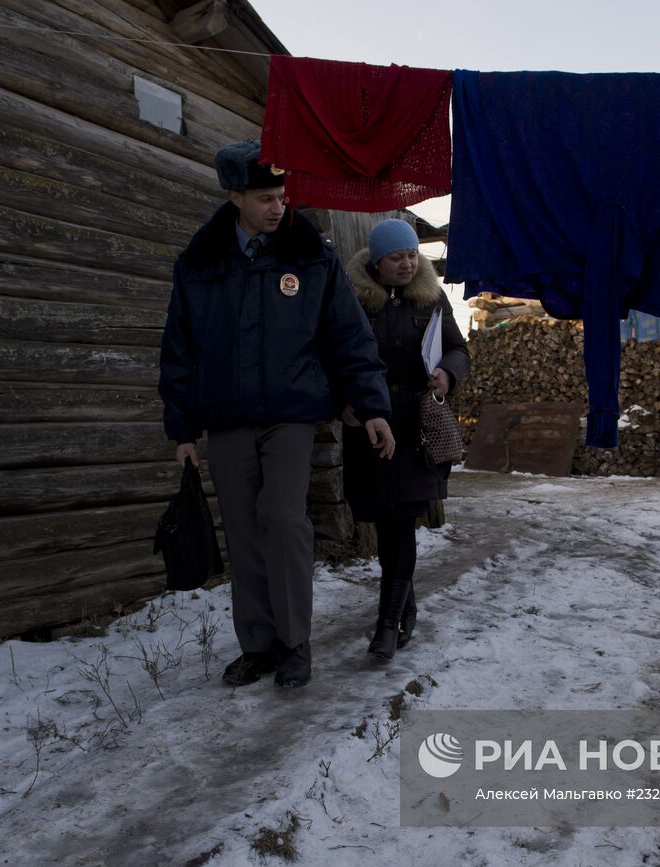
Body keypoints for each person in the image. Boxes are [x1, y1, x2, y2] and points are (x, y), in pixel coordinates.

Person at [158, 141, 395, 690]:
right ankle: (258, 644)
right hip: (226, 419)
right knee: (242, 529)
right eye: (265, 197)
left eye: (282, 197)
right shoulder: (200, 264)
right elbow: (179, 350)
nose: (278, 208)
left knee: (284, 520)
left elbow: (349, 339)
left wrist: (371, 405)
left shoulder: (313, 257)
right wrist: (182, 430)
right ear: (234, 195)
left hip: (291, 416)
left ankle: (295, 642)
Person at [342, 218, 471, 662]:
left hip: (415, 425)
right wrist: (343, 402)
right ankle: (406, 607)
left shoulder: (431, 297)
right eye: (397, 257)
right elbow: (333, 355)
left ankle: (387, 623)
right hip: (370, 427)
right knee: (383, 518)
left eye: (413, 254)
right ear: (377, 262)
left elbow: (459, 348)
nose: (407, 263)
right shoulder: (353, 300)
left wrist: (447, 373)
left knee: (401, 519)